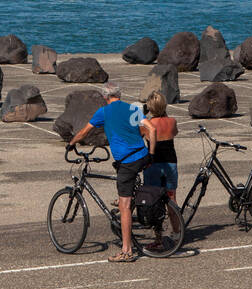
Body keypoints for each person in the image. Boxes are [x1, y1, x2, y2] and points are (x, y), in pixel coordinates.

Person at [68, 83, 150, 263]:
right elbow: (146, 128)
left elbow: (84, 132)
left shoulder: (103, 112)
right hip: (142, 155)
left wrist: (71, 143)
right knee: (121, 174)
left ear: (106, 97)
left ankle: (126, 250)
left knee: (125, 205)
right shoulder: (132, 108)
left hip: (128, 161)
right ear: (119, 94)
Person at [141, 92, 181, 246]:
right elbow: (174, 133)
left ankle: (158, 236)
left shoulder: (148, 125)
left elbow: (139, 134)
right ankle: (177, 232)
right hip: (170, 163)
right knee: (171, 198)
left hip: (154, 165)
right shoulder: (172, 121)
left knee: (155, 200)